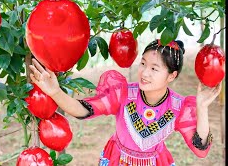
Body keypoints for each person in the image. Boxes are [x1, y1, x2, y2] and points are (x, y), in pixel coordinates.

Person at [29, 39, 222, 166]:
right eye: (143, 63)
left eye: (154, 68)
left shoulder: (178, 107)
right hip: (117, 160)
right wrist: (54, 91)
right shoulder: (122, 93)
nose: (144, 73)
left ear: (171, 76)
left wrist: (202, 107)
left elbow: (200, 148)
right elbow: (84, 110)